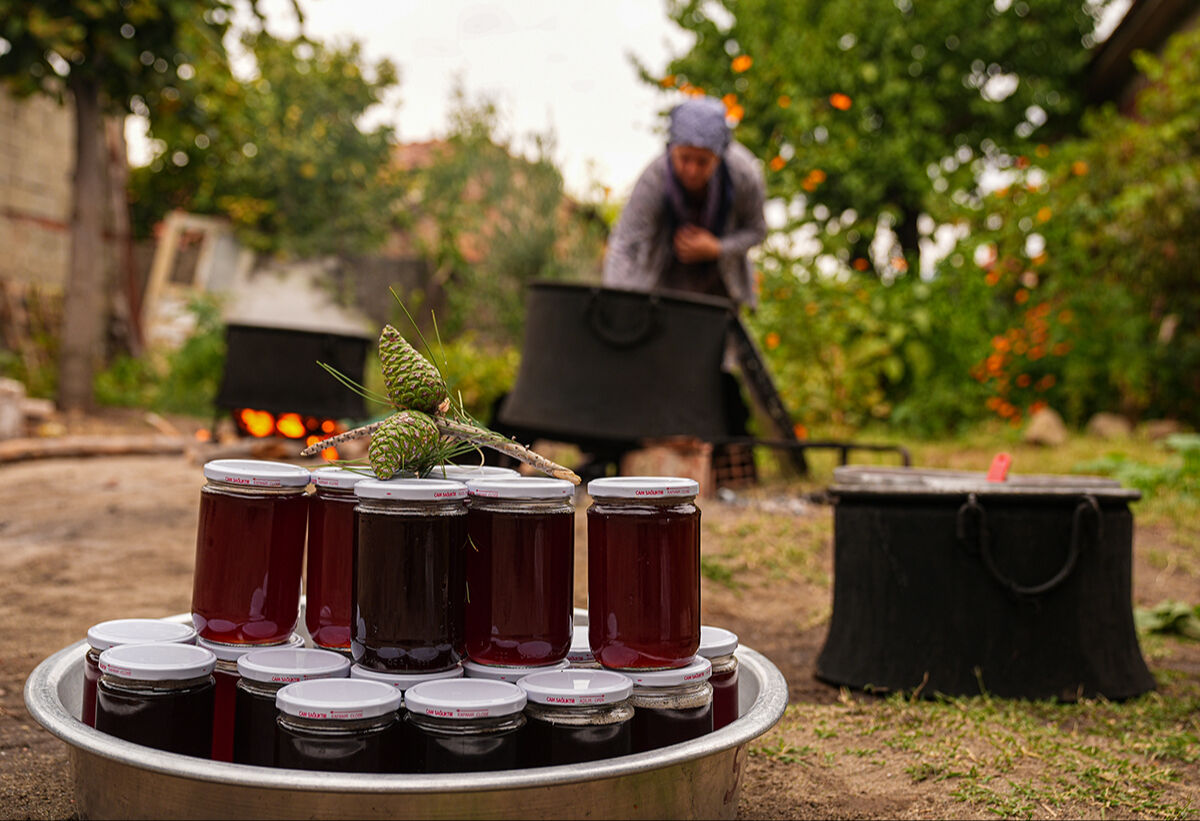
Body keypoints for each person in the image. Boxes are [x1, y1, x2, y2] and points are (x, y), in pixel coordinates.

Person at [603, 95, 767, 309]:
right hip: (664, 285)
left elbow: (757, 231)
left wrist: (717, 248)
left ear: (719, 157)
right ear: (671, 149)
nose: (692, 170)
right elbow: (625, 243)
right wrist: (615, 303)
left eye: (703, 162)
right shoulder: (655, 178)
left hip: (722, 292)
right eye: (684, 158)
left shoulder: (744, 175)